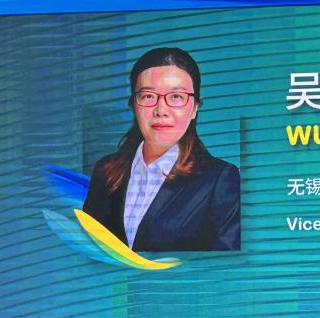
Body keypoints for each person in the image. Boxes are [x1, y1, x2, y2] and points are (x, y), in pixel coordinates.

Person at [82, 47, 240, 252]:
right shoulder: (106, 171)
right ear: (133, 104)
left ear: (194, 108)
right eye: (148, 96)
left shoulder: (220, 180)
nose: (161, 110)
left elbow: (225, 264)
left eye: (176, 97)